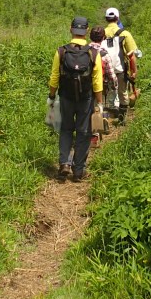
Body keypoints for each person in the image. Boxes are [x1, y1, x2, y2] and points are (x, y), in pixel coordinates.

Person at [48, 15, 103, 182]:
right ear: (86, 31)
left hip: (65, 97)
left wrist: (51, 96)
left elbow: (54, 77)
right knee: (83, 132)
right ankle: (78, 171)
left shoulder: (61, 51)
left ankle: (64, 163)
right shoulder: (94, 53)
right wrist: (99, 103)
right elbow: (97, 81)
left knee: (65, 129)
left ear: (70, 29)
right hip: (86, 99)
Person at [103, 7, 139, 121]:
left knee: (105, 93)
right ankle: (121, 119)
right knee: (122, 92)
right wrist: (134, 71)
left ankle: (105, 118)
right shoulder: (125, 34)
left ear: (106, 19)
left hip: (104, 69)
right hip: (120, 69)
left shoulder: (101, 33)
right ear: (117, 18)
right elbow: (132, 55)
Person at [89, 24, 120, 125]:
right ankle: (101, 125)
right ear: (103, 38)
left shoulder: (84, 50)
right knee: (100, 105)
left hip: (85, 85)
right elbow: (111, 74)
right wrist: (115, 85)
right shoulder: (104, 54)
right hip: (101, 85)